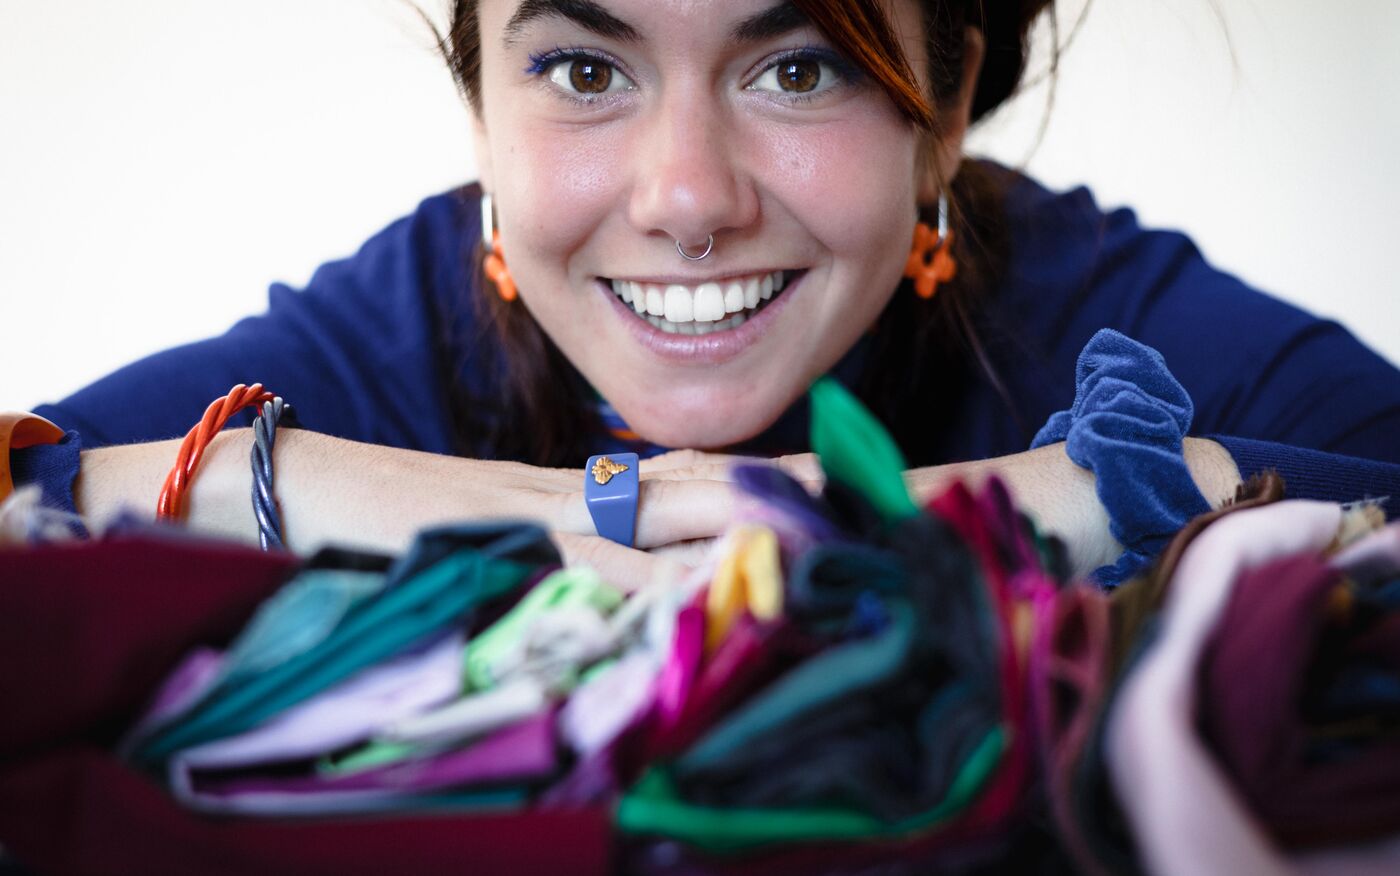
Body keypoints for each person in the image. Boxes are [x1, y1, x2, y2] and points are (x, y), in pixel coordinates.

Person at [10, 0, 1400, 588]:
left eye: (798, 67)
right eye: (585, 69)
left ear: (944, 107)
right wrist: (274, 474)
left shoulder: (1092, 310)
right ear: (479, 108)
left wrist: (1112, 485)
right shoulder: (386, 337)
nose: (687, 198)